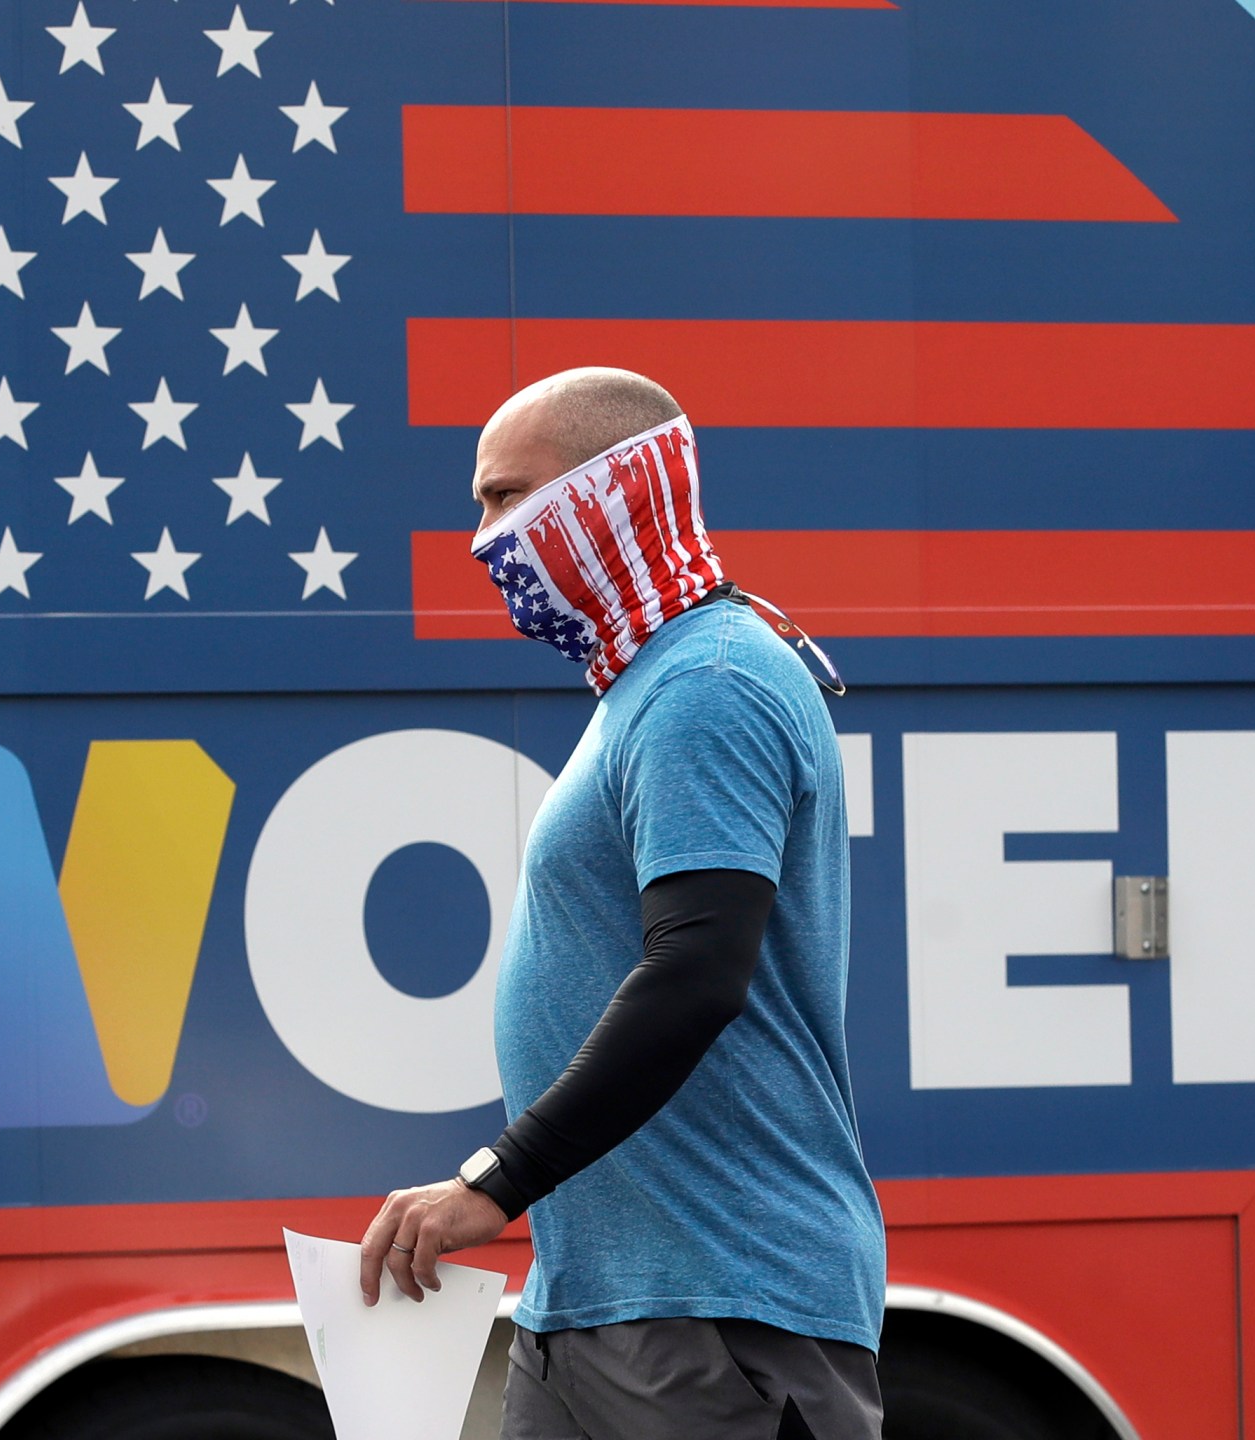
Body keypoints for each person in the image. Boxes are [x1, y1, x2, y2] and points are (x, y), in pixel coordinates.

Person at [356, 368, 886, 1440]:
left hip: (718, 1309)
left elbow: (694, 977)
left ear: (616, 490)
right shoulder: (647, 686)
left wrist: (496, 1181)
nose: (481, 540)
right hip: (594, 1304)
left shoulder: (711, 684)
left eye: (506, 498)